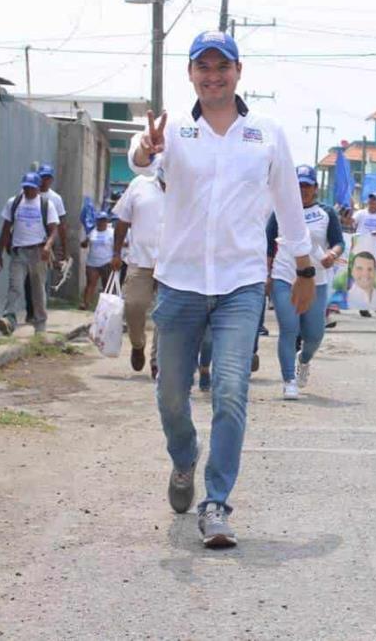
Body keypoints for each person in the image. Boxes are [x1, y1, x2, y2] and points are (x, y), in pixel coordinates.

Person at [128, 29, 314, 548]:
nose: (213, 75)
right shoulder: (173, 131)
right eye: (202, 67)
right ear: (190, 74)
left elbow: (288, 205)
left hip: (241, 283)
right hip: (180, 282)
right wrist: (147, 147)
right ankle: (184, 458)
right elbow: (141, 159)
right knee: (170, 395)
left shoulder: (267, 133)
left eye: (222, 66)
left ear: (238, 71)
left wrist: (304, 268)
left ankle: (216, 502)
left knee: (231, 392)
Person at [267, 165, 344, 400]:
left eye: (307, 186)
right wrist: (266, 276)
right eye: (299, 185)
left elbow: (338, 242)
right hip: (284, 276)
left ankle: (304, 359)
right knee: (289, 328)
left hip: (316, 280)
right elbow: (269, 245)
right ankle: (289, 380)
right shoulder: (281, 210)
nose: (303, 190)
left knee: (314, 335)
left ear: (315, 188)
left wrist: (333, 254)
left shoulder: (326, 213)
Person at [113, 170, 166, 375]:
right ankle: (137, 344)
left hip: (172, 264)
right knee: (133, 305)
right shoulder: (139, 184)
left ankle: (158, 361)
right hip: (140, 259)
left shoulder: (186, 183)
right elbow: (123, 221)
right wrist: (116, 253)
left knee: (166, 314)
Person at [0, 172, 59, 335]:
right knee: (14, 286)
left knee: (37, 290)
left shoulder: (46, 205)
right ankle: (8, 318)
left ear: (38, 188)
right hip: (19, 252)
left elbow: (53, 231)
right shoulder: (14, 202)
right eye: (26, 188)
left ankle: (40, 324)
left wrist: (48, 246)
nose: (28, 191)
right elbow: (5, 229)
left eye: (31, 188)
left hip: (38, 252)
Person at [24, 164, 68, 323]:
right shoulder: (25, 195)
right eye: (42, 177)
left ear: (51, 180)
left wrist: (64, 249)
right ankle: (31, 311)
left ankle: (39, 311)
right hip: (29, 241)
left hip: (47, 242)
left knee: (40, 279)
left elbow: (62, 224)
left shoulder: (55, 199)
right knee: (29, 278)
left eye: (48, 178)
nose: (45, 181)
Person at [352, 192, 376, 318]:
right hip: (360, 250)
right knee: (358, 277)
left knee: (370, 278)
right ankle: (357, 304)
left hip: (374, 252)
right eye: (370, 200)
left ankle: (368, 305)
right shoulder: (361, 213)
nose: (371, 203)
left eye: (374, 201)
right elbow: (352, 223)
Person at [79, 212, 114, 310]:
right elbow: (85, 243)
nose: (101, 222)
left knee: (106, 285)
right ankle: (85, 303)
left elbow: (117, 245)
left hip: (106, 262)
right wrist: (83, 243)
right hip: (92, 262)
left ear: (107, 221)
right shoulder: (93, 232)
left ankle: (106, 306)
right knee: (91, 283)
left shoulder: (111, 232)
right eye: (99, 220)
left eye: (103, 220)